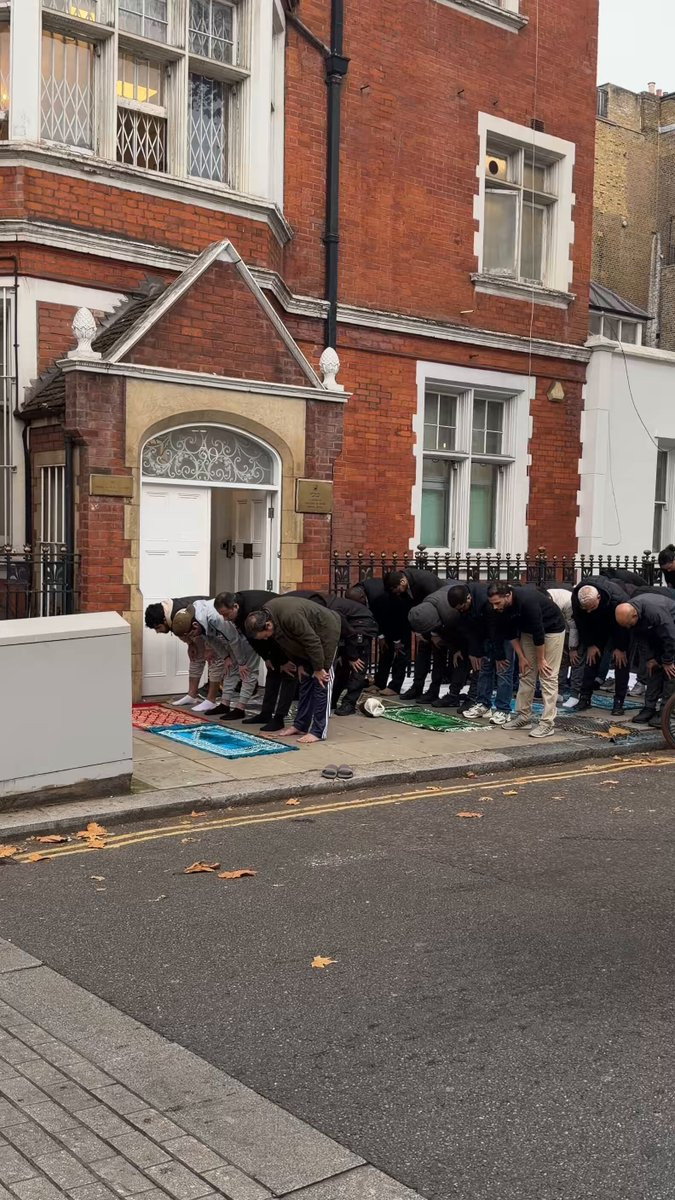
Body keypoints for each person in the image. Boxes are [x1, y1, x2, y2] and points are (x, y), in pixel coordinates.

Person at [245, 596, 341, 743]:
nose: (265, 639)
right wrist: (300, 663)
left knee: (322, 682)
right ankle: (301, 725)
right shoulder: (270, 615)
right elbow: (287, 644)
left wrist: (320, 668)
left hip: (325, 634)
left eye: (264, 636)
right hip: (309, 641)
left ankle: (318, 731)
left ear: (268, 625)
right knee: (305, 680)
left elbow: (312, 641)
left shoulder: (290, 616)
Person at [487, 583, 566, 738]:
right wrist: (522, 657)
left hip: (551, 629)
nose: (495, 607)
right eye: (492, 604)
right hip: (527, 632)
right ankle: (523, 717)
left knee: (548, 675)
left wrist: (541, 660)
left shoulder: (527, 601)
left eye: (497, 603)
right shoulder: (500, 608)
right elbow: (510, 634)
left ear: (508, 595)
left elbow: (539, 633)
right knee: (526, 672)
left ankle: (547, 723)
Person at [289, 591, 378, 714]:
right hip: (347, 630)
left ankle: (349, 703)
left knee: (357, 666)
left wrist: (352, 656)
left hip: (360, 628)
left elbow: (349, 632)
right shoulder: (319, 608)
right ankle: (332, 700)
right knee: (341, 667)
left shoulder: (331, 611)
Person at [172, 600, 260, 720]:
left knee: (247, 671)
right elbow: (211, 640)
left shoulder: (215, 618)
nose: (194, 637)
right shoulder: (197, 618)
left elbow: (234, 639)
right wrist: (226, 657)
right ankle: (224, 704)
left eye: (192, 634)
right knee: (229, 667)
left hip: (248, 633)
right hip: (232, 637)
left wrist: (242, 663)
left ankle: (240, 709)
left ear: (195, 625)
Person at [447, 582, 514, 726]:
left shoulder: (486, 602)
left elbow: (496, 628)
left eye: (462, 607)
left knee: (503, 669)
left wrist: (499, 654)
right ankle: (483, 704)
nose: (461, 611)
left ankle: (503, 710)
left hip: (503, 633)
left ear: (468, 598)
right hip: (486, 635)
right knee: (484, 668)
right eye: (458, 609)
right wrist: (474, 651)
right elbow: (469, 629)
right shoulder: (465, 605)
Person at [570, 576, 631, 715]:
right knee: (592, 659)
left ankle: (619, 701)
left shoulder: (618, 598)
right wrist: (590, 644)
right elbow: (580, 622)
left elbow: (624, 625)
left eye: (591, 607)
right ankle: (585, 697)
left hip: (619, 624)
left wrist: (620, 647)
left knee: (621, 662)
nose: (588, 611)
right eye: (585, 608)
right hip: (596, 626)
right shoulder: (577, 598)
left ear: (598, 597)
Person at [144, 594, 215, 709]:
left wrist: (209, 648)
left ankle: (211, 700)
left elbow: (206, 631)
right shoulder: (168, 615)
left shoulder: (179, 615)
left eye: (158, 627)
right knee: (196, 657)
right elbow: (180, 631)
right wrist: (190, 643)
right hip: (199, 627)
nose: (157, 632)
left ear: (164, 620)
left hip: (210, 625)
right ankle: (191, 695)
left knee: (214, 660)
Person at [615, 593, 675, 726]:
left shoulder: (655, 612)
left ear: (634, 616)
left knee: (670, 673)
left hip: (672, 633)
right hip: (657, 636)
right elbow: (641, 639)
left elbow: (670, 637)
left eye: (628, 624)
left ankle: (665, 712)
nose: (628, 628)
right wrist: (650, 658)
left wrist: (668, 661)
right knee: (652, 669)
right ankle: (649, 707)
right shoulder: (632, 613)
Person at [408, 588, 474, 709]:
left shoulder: (451, 614)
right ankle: (437, 691)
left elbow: (462, 636)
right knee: (440, 653)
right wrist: (432, 635)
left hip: (468, 631)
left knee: (464, 658)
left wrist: (456, 649)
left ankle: (463, 696)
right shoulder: (427, 607)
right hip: (450, 626)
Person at [345, 579, 410, 696]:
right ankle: (380, 683)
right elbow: (378, 617)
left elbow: (395, 617)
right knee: (385, 651)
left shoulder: (378, 596)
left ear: (362, 597)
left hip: (401, 619)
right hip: (387, 619)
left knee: (401, 652)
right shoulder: (358, 591)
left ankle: (395, 686)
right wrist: (381, 636)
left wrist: (397, 641)